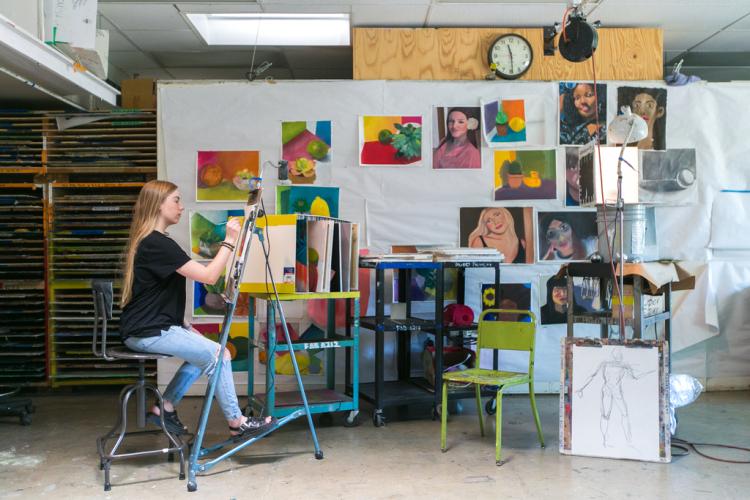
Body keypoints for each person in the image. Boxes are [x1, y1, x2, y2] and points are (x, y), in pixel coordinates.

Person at [119, 180, 275, 439]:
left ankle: (164, 407)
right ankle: (237, 422)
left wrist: (186, 327)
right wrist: (229, 241)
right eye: (176, 200)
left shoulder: (154, 241)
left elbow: (157, 295)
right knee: (218, 355)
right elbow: (209, 277)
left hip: (148, 327)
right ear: (159, 205)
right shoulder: (156, 243)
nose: (181, 206)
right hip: (146, 332)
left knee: (207, 352)